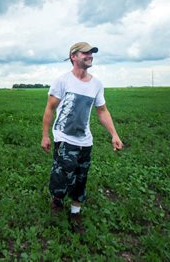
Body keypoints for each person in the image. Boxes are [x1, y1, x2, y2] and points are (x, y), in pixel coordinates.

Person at [41, 42, 124, 234]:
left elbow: (102, 111)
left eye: (91, 53)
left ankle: (75, 212)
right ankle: (57, 202)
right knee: (62, 175)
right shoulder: (62, 81)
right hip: (64, 138)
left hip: (85, 141)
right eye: (85, 53)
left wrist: (114, 134)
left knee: (81, 177)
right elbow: (50, 109)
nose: (90, 56)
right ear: (74, 56)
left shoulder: (96, 84)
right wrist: (45, 135)